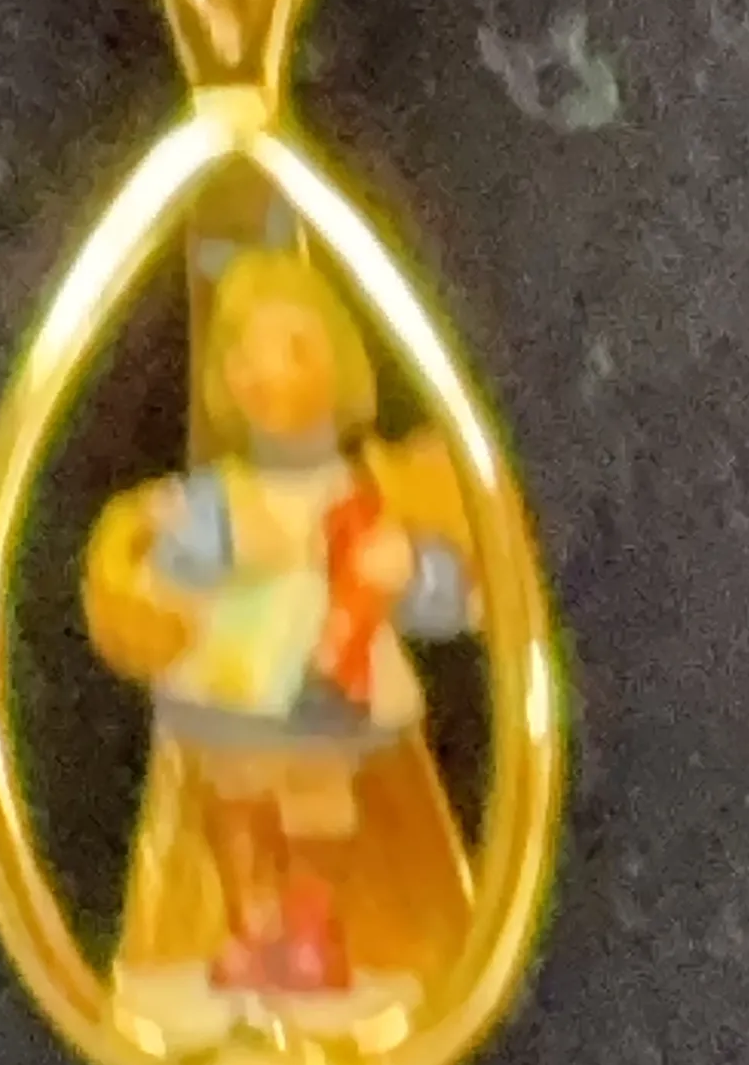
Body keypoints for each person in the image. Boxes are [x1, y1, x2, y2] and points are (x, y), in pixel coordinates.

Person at [84, 248, 476, 1010]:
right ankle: (250, 922)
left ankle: (309, 925)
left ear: (337, 362)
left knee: (316, 798)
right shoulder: (218, 499)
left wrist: (409, 569)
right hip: (236, 671)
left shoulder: (370, 492)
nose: (265, 374)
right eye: (245, 353)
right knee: (237, 795)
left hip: (333, 672)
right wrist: (153, 553)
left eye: (292, 348)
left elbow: (445, 597)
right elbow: (173, 566)